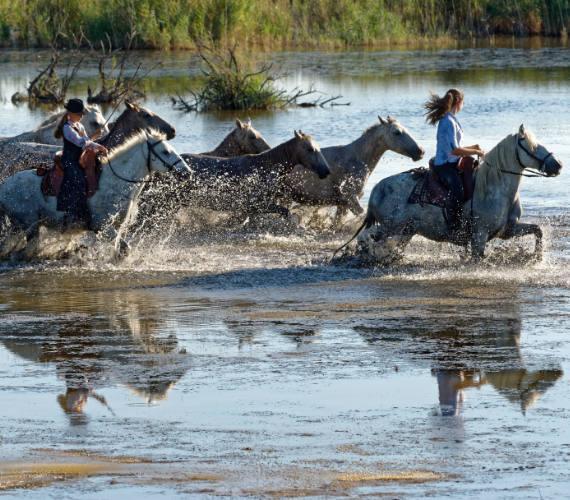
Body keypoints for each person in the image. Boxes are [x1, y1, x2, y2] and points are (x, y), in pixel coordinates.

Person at [424, 88, 484, 234]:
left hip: (452, 162)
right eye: (463, 102)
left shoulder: (451, 119)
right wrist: (476, 151)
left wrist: (473, 147)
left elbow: (457, 148)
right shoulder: (447, 122)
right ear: (458, 101)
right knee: (458, 190)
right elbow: (455, 151)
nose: (463, 105)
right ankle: (454, 226)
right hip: (444, 166)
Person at [54, 98, 107, 229]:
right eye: (79, 114)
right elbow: (80, 143)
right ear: (70, 113)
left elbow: (87, 141)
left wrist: (96, 142)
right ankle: (74, 212)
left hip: (80, 159)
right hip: (70, 161)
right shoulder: (67, 128)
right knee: (79, 180)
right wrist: (98, 146)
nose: (81, 116)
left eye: (82, 114)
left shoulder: (80, 126)